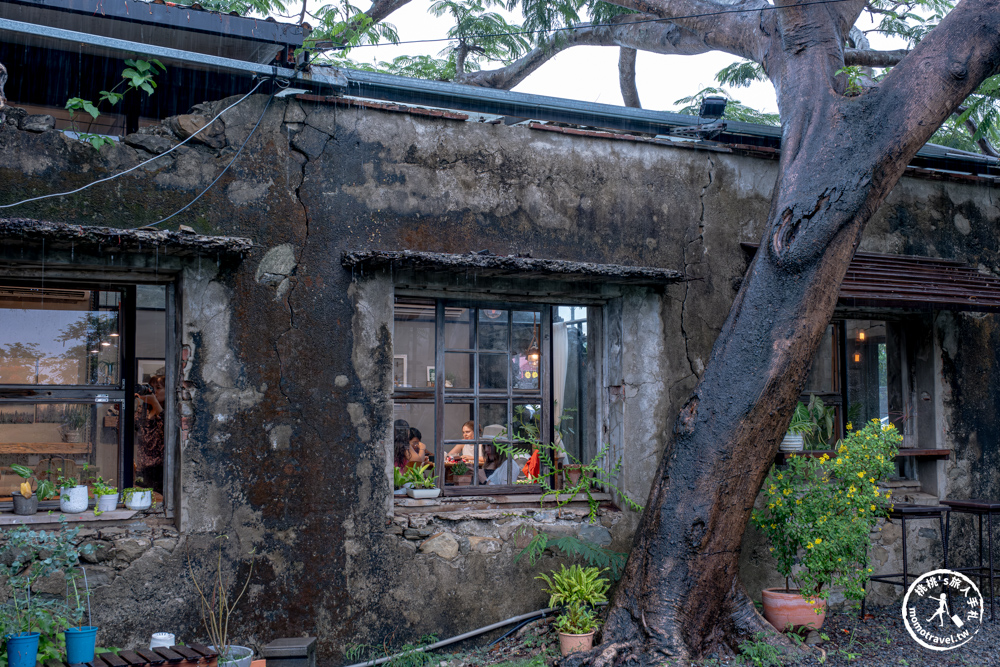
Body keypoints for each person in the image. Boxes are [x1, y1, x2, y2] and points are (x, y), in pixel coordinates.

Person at [135, 373, 165, 494]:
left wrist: (155, 403)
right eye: (152, 388)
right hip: (143, 467)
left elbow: (170, 430)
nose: (154, 392)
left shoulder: (171, 410)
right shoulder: (143, 410)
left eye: (158, 388)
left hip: (162, 468)